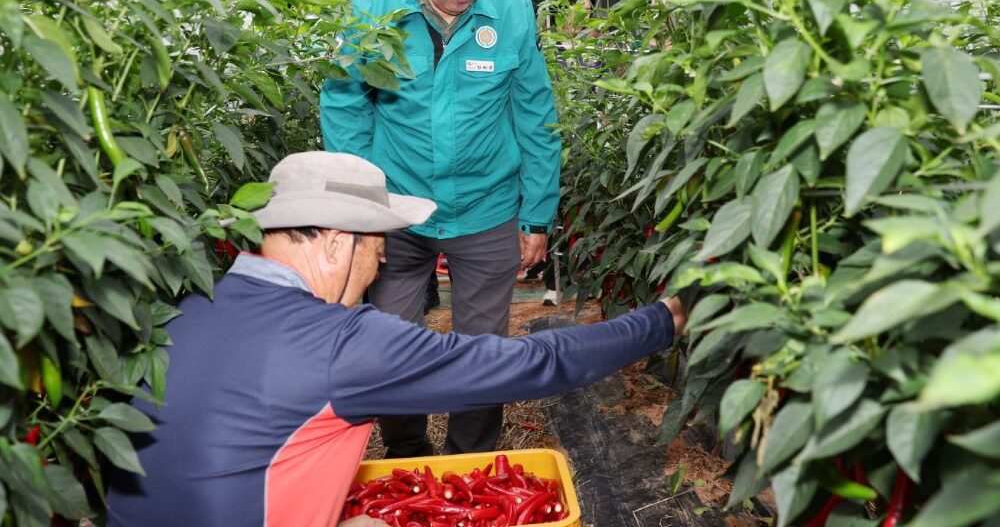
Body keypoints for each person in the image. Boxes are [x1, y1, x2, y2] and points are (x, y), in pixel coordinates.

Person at [104, 151, 687, 527]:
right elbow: (536, 362)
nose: (379, 269)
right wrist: (664, 319)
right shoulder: (340, 344)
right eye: (377, 253)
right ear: (336, 244)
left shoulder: (182, 310)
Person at [321, 0, 561, 457]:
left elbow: (535, 113)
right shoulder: (372, 10)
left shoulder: (510, 9)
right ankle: (406, 456)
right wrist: (363, 217)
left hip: (486, 207)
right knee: (391, 345)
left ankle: (471, 462)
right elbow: (346, 111)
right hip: (397, 211)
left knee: (484, 352)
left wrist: (537, 213)